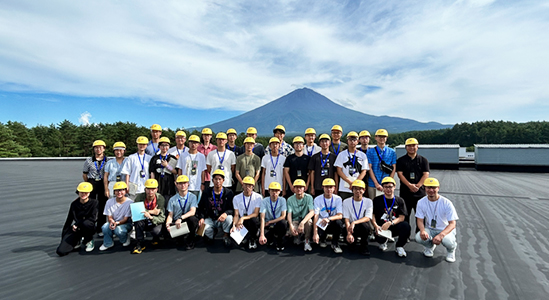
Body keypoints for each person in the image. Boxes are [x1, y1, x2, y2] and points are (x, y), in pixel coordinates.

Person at [415, 178, 459, 263]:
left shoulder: (446, 203)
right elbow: (420, 220)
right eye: (428, 187)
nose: (431, 190)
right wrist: (423, 231)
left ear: (438, 188)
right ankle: (429, 246)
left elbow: (452, 224)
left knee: (447, 241)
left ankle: (451, 250)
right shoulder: (421, 202)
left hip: (444, 229)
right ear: (425, 188)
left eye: (434, 187)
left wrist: (441, 235)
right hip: (430, 229)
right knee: (419, 237)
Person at [396, 138, 430, 234]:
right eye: (409, 146)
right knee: (405, 215)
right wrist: (409, 185)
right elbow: (400, 174)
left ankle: (419, 234)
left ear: (417, 146)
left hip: (419, 193)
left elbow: (426, 174)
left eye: (413, 145)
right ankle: (405, 235)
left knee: (420, 215)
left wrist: (418, 186)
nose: (411, 148)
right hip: (405, 192)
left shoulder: (423, 160)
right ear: (406, 147)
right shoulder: (401, 160)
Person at [371, 177, 411, 257]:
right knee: (380, 238)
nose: (388, 189)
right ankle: (383, 242)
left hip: (393, 225)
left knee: (406, 226)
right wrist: (375, 226)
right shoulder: (377, 200)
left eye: (390, 187)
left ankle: (399, 246)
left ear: (394, 187)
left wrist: (390, 223)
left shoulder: (400, 200)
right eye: (386, 187)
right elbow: (373, 215)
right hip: (381, 227)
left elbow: (402, 217)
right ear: (383, 188)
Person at [56, 182, 98, 256]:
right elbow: (68, 221)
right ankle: (77, 241)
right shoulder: (74, 204)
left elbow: (93, 219)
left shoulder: (94, 203)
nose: (83, 194)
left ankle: (88, 240)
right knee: (61, 251)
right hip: (77, 229)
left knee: (86, 223)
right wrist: (63, 239)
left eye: (86, 192)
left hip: (88, 227)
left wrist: (77, 224)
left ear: (89, 193)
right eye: (81, 192)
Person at [198, 169, 234, 247]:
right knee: (203, 230)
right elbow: (200, 207)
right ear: (212, 180)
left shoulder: (229, 193)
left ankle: (226, 235)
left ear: (223, 180)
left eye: (220, 179)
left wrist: (226, 213)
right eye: (216, 179)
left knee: (229, 218)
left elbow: (232, 209)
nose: (217, 181)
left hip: (222, 218)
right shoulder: (206, 192)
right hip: (210, 218)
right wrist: (201, 218)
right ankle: (212, 233)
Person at [132, 179, 166, 254]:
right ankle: (140, 243)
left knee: (157, 231)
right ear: (145, 189)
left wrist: (151, 216)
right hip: (142, 218)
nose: (150, 191)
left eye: (153, 189)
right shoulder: (139, 197)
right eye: (148, 189)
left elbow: (161, 217)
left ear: (157, 189)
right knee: (138, 222)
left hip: (154, 220)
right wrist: (151, 211)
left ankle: (156, 238)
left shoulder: (160, 198)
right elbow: (136, 212)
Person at [83, 139, 109, 233]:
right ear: (94, 149)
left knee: (102, 206)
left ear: (104, 149)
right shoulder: (89, 160)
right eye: (96, 148)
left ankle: (100, 228)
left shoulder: (108, 161)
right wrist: (89, 184)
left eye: (100, 147)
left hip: (103, 183)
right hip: (92, 183)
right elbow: (85, 174)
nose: (98, 149)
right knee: (91, 205)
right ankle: (90, 227)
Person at [166, 175, 199, 250]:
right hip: (177, 223)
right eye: (180, 183)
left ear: (188, 184)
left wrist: (181, 218)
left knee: (193, 219)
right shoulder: (172, 199)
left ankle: (191, 239)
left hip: (186, 220)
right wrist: (168, 224)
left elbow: (192, 211)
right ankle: (180, 237)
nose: (183, 185)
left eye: (185, 183)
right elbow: (170, 215)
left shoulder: (193, 197)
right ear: (176, 185)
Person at [312, 178, 344, 254]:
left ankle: (335, 243)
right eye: (326, 187)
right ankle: (322, 239)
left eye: (331, 187)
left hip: (331, 221)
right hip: (322, 222)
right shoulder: (317, 199)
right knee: (318, 225)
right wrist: (315, 233)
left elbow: (340, 215)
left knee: (339, 223)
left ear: (334, 188)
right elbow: (316, 215)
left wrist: (328, 219)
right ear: (323, 187)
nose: (328, 189)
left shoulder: (338, 199)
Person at [99, 182, 133, 251]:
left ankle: (125, 238)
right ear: (114, 192)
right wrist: (111, 221)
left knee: (119, 230)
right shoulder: (109, 202)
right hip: (114, 222)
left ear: (125, 191)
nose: (119, 192)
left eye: (121, 190)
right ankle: (108, 243)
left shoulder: (130, 202)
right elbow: (109, 216)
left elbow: (126, 219)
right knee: (105, 227)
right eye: (117, 190)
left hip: (125, 223)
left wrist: (117, 223)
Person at [335, 131, 369, 200]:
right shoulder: (341, 154)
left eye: (354, 140)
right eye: (350, 140)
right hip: (344, 187)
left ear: (358, 141)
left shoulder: (362, 155)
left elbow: (364, 171)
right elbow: (339, 170)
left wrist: (355, 183)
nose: (352, 142)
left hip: (358, 187)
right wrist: (350, 182)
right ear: (347, 141)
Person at [231, 176, 262, 249]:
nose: (247, 187)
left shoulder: (258, 197)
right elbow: (236, 214)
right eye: (245, 185)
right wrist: (234, 225)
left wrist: (243, 218)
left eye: (250, 185)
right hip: (241, 221)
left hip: (251, 219)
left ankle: (253, 238)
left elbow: (256, 213)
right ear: (242, 186)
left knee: (254, 220)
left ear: (253, 187)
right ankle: (244, 236)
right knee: (233, 239)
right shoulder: (236, 198)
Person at [343, 180, 373, 255]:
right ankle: (352, 241)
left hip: (361, 224)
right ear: (352, 190)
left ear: (364, 190)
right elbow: (346, 219)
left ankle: (364, 245)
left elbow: (367, 217)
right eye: (355, 189)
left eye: (360, 189)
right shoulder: (346, 201)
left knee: (365, 226)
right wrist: (349, 233)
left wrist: (354, 222)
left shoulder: (368, 201)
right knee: (344, 229)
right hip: (350, 227)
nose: (358, 191)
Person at [367, 129, 397, 199]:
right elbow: (369, 168)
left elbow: (394, 168)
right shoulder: (370, 152)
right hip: (373, 184)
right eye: (379, 136)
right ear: (376, 137)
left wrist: (389, 182)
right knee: (374, 204)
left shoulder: (392, 152)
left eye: (384, 137)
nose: (381, 139)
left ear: (386, 138)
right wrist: (376, 183)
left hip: (387, 185)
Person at [286, 179, 315, 251]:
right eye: (296, 187)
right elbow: (289, 214)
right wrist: (291, 225)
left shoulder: (309, 197)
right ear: (294, 189)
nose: (299, 189)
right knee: (292, 230)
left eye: (301, 187)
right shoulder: (290, 199)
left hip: (304, 220)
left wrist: (302, 222)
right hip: (295, 219)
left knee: (309, 222)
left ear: (305, 188)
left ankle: (307, 240)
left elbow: (312, 212)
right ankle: (297, 236)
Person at [259, 182, 288, 251]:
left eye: (276, 191)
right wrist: (262, 234)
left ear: (279, 192)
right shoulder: (264, 201)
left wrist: (270, 222)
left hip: (277, 222)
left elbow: (283, 216)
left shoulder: (282, 200)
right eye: (272, 190)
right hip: (267, 224)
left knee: (283, 223)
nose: (274, 193)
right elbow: (262, 218)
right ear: (269, 191)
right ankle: (270, 238)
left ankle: (280, 240)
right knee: (267, 240)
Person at [177, 135, 207, 199]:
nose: (193, 144)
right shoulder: (183, 155)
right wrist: (179, 182)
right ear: (188, 143)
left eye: (195, 143)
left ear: (198, 144)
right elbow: (180, 169)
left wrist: (203, 183)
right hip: (184, 185)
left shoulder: (201, 156)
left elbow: (203, 171)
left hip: (197, 184)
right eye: (191, 142)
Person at [150, 137, 178, 204]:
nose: (164, 147)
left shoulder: (173, 158)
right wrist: (153, 185)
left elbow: (176, 172)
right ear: (159, 146)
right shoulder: (154, 158)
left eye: (166, 145)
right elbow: (152, 172)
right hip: (158, 184)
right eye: (162, 145)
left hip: (169, 185)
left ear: (169, 146)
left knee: (168, 203)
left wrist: (167, 166)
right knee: (158, 202)